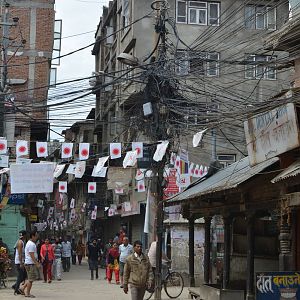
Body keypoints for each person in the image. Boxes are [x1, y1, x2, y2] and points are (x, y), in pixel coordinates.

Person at [24, 230, 40, 298]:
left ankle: (22, 288)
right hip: (30, 264)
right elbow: (32, 255)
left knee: (29, 278)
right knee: (30, 280)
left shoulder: (30, 243)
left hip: (29, 263)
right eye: (36, 236)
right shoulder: (31, 244)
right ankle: (27, 293)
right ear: (32, 236)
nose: (37, 237)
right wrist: (37, 264)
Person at [12, 230, 27, 295]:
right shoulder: (20, 242)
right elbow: (20, 254)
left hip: (20, 261)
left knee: (23, 276)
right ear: (24, 235)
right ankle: (16, 289)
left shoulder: (21, 242)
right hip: (19, 262)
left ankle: (15, 286)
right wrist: (21, 263)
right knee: (20, 276)